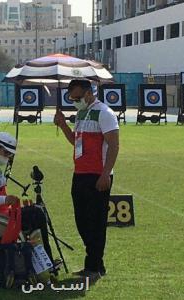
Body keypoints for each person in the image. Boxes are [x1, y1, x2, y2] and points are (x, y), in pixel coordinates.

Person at [54, 79, 120, 280]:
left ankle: (93, 266)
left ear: (89, 93)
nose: (75, 101)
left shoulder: (105, 113)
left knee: (96, 222)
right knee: (82, 222)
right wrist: (64, 124)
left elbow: (114, 145)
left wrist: (105, 174)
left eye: (77, 97)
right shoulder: (81, 113)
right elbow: (76, 141)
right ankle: (96, 265)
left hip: (97, 175)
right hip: (80, 174)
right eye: (72, 98)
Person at [0, 132, 54, 267]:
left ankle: (42, 261)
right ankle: (45, 262)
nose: (8, 157)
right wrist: (5, 199)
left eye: (10, 154)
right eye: (6, 153)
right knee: (37, 214)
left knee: (35, 212)